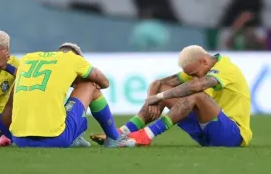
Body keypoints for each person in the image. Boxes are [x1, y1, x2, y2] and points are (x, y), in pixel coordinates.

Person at [90, 45, 252, 148]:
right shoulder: (200, 68)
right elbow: (158, 83)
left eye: (194, 73)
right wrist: (153, 99)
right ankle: (120, 133)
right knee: (166, 88)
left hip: (232, 136)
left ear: (204, 61)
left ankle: (146, 136)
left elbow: (198, 86)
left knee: (198, 96)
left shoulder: (227, 69)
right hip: (206, 136)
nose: (193, 77)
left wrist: (159, 96)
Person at [10, 43, 122, 148]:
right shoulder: (73, 59)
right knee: (90, 85)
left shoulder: (27, 58)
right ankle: (114, 138)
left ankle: (77, 137)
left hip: (20, 140)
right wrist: (83, 82)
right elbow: (104, 82)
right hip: (56, 139)